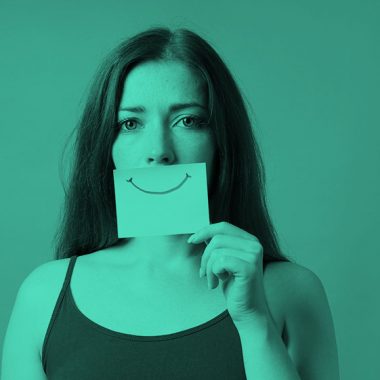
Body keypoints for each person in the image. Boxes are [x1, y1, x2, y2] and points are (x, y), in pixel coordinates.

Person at [1, 26, 340, 379]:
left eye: (187, 121)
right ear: (107, 145)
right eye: (131, 123)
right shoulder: (45, 294)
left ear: (221, 140)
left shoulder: (294, 291)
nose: (159, 150)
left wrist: (255, 324)